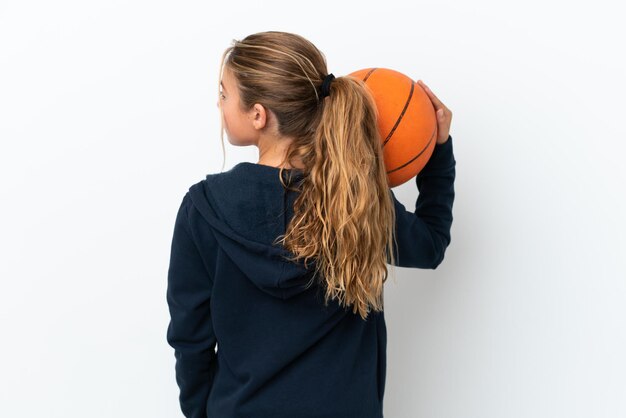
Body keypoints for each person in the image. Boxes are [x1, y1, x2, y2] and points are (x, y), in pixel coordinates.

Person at [165, 31, 456, 418]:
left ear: (257, 114)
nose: (218, 105)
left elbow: (191, 341)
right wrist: (437, 149)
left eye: (224, 94)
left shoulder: (203, 209)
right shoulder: (355, 198)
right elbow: (430, 245)